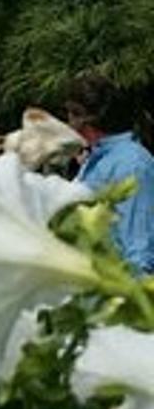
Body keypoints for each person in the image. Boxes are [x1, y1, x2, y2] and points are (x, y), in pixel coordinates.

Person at [62, 72, 154, 276]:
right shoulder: (97, 157)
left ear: (82, 119)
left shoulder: (131, 164)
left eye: (69, 113)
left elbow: (139, 248)